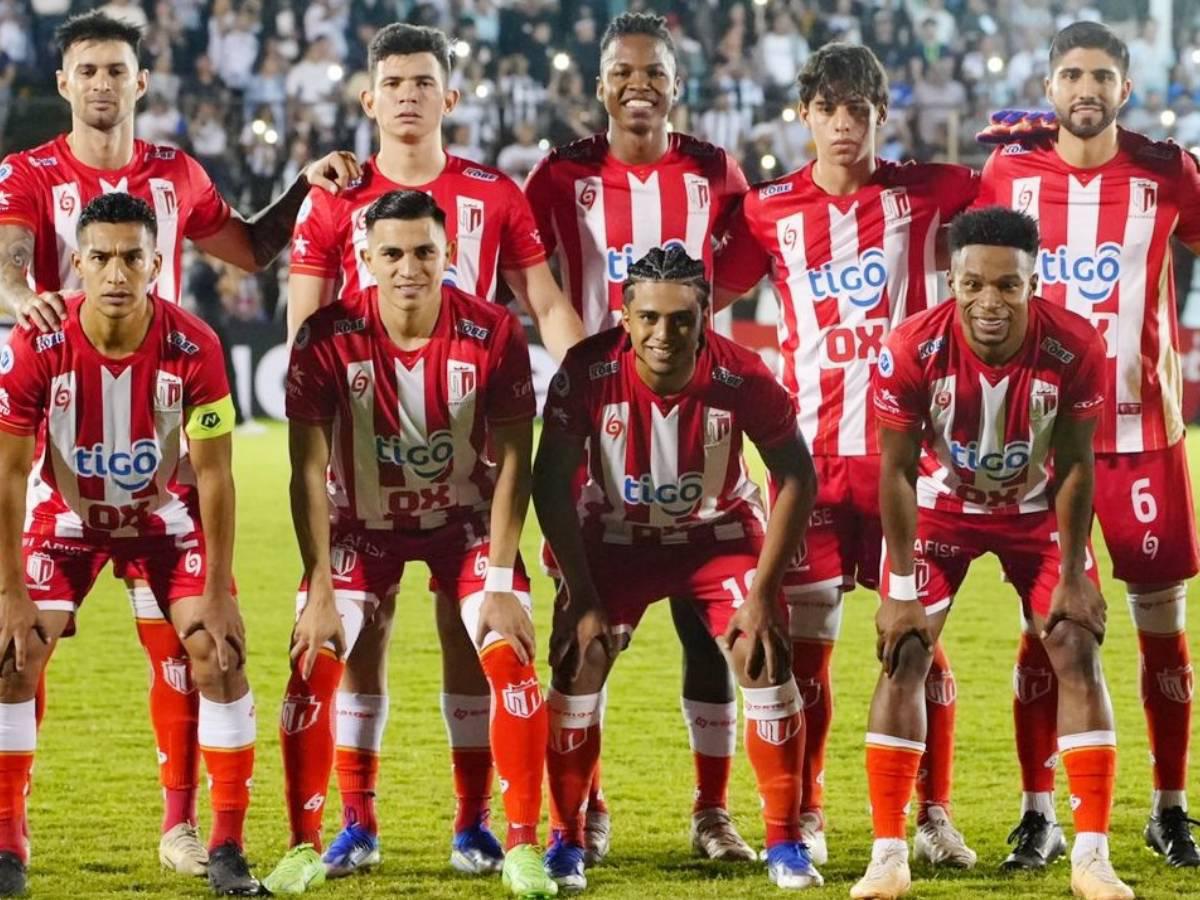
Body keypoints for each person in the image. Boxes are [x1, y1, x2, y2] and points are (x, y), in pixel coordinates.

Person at [0, 11, 354, 877]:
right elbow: (8, 259)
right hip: (62, 437)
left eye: (116, 69)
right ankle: (9, 835)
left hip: (165, 433)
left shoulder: (176, 174)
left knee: (195, 647)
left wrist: (304, 186)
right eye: (87, 70)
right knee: (15, 643)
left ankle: (188, 829)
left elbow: (254, 249)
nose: (102, 83)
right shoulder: (29, 173)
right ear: (64, 82)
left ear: (141, 82)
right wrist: (20, 300)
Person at [285, 22, 583, 879]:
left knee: (472, 635)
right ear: (368, 99)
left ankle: (476, 827)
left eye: (424, 81)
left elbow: (545, 303)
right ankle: (354, 824)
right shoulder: (334, 196)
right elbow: (306, 328)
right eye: (393, 82)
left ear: (450, 95)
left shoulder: (493, 193)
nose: (408, 94)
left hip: (468, 463)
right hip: (364, 465)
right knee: (358, 641)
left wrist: (594, 387)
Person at [712, 42, 979, 866]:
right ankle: (810, 809)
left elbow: (1021, 193)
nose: (843, 124)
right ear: (804, 115)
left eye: (858, 109)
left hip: (912, 464)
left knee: (917, 644)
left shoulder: (932, 191)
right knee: (809, 651)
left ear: (880, 115)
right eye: (827, 109)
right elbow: (704, 291)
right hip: (812, 466)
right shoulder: (768, 210)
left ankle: (933, 813)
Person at [264, 190, 557, 900]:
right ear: (364, 258)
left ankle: (506, 839)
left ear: (448, 254)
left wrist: (498, 580)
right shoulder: (325, 336)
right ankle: (327, 837)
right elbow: (306, 469)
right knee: (314, 661)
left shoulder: (492, 330)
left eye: (425, 251)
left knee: (509, 655)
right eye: (391, 253)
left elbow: (516, 459)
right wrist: (319, 589)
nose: (408, 267)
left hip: (465, 525)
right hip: (360, 527)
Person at [524, 12, 755, 862]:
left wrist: (679, 355)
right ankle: (586, 807)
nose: (639, 85)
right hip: (594, 429)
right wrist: (585, 369)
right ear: (599, 85)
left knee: (705, 629)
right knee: (588, 631)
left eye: (654, 71)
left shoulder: (712, 170)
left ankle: (711, 812)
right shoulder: (561, 174)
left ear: (676, 84)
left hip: (690, 424)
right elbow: (530, 273)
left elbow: (734, 269)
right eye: (622, 72)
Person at [976, 20, 1200, 869]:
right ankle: (1039, 814)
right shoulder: (1009, 174)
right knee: (1046, 627)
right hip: (1041, 441)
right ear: (1048, 87)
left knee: (1160, 628)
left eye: (1101, 77)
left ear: (1125, 89)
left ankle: (1171, 809)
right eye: (1071, 75)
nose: (1086, 90)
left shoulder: (1167, 172)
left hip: (1144, 438)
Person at [855, 206, 1127, 900]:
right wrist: (901, 588)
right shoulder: (910, 346)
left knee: (1075, 646)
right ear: (952, 282)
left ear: (1033, 283)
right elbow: (895, 471)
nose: (990, 302)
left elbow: (1076, 463)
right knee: (904, 652)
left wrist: (1074, 571)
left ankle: (1092, 858)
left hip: (1035, 513)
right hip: (941, 510)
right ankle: (888, 856)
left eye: (1008, 285)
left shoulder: (1076, 345)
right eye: (973, 284)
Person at [533, 246, 821, 891]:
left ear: (704, 317)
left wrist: (763, 593)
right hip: (616, 537)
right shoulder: (586, 371)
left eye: (682, 320)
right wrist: (581, 594)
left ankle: (781, 840)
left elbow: (797, 475)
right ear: (625, 318)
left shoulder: (742, 374)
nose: (664, 334)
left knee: (760, 654)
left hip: (716, 535)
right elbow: (549, 482)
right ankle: (566, 837)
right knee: (579, 659)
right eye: (649, 319)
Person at [0, 193, 259, 897]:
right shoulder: (36, 345)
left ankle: (225, 845)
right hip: (66, 521)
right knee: (11, 656)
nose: (117, 274)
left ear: (156, 262)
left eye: (132, 258)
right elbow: (10, 474)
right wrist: (11, 593)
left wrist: (218, 592)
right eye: (102, 258)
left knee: (219, 653)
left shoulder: (196, 346)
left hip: (164, 522)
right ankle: (8, 844)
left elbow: (215, 475)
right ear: (78, 263)